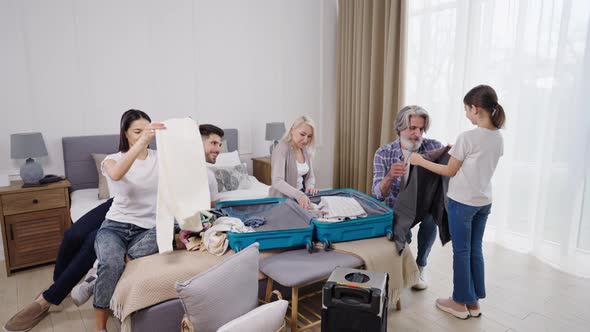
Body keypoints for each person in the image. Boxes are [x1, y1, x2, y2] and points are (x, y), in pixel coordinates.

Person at [410, 85, 505, 319]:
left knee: (461, 251)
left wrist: (419, 161)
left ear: (475, 109)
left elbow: (449, 171)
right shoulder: (498, 137)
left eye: (466, 109)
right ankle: (473, 301)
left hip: (462, 202)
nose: (465, 114)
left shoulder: (468, 137)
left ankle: (459, 302)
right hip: (484, 201)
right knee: (475, 250)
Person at [3, 199, 113, 332]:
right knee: (72, 235)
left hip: (140, 212)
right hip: (120, 200)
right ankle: (59, 284)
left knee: (94, 239)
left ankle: (46, 300)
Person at [372, 105, 443, 290]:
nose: (418, 134)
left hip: (424, 205)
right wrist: (389, 176)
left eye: (421, 129)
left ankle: (420, 266)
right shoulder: (384, 153)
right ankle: (406, 264)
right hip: (397, 206)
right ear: (399, 128)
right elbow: (378, 194)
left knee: (432, 218)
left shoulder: (434, 147)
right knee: (403, 238)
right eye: (412, 128)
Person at [268, 115, 319, 209]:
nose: (306, 140)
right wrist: (299, 195)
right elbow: (277, 181)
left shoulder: (305, 150)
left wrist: (310, 187)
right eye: (302, 134)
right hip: (282, 201)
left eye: (309, 136)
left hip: (300, 198)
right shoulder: (282, 148)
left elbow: (310, 177)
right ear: (292, 130)